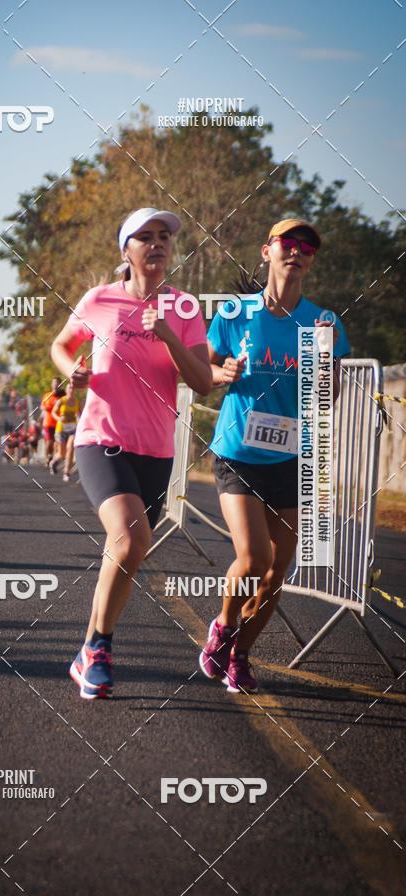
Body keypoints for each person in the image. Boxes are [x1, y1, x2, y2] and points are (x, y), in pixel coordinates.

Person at [51, 207, 212, 699]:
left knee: (131, 549)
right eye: (146, 237)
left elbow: (203, 382)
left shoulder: (184, 309)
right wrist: (72, 372)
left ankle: (87, 650)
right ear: (127, 250)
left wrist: (166, 335)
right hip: (102, 439)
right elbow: (62, 344)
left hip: (156, 451)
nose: (157, 244)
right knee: (129, 538)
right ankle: (99, 649)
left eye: (164, 236)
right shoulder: (99, 300)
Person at [199, 218, 350, 694]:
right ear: (267, 251)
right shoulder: (234, 311)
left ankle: (240, 657)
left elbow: (328, 397)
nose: (298, 251)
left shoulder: (324, 321)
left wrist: (325, 358)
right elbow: (203, 364)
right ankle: (223, 628)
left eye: (308, 247)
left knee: (275, 573)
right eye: (289, 242)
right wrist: (224, 370)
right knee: (254, 556)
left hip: (292, 458)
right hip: (238, 453)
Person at [50, 383, 80, 480]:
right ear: (66, 390)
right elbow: (53, 412)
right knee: (62, 454)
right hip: (61, 429)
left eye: (73, 389)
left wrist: (78, 416)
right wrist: (59, 418)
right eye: (69, 388)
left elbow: (83, 414)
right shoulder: (61, 401)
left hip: (72, 429)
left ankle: (66, 472)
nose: (71, 390)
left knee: (70, 448)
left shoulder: (77, 402)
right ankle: (54, 461)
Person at [41, 379, 65, 466]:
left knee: (57, 442)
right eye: (54, 383)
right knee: (49, 442)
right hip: (48, 422)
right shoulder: (47, 395)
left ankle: (54, 459)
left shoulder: (62, 396)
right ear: (51, 384)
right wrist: (49, 407)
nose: (56, 385)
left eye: (58, 383)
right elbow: (42, 407)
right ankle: (47, 457)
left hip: (59, 423)